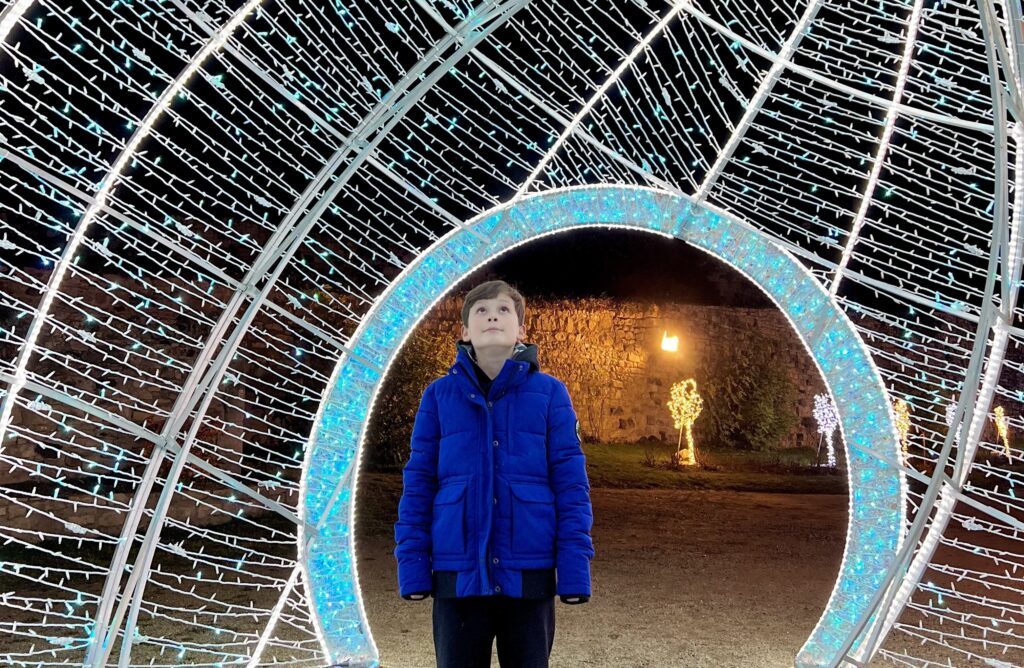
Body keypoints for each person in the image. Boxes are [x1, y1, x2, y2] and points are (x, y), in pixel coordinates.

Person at [394, 279, 595, 668]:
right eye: (481, 310)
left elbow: (571, 484)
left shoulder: (551, 393)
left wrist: (574, 571)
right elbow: (418, 484)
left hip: (529, 575)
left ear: (521, 329)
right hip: (458, 577)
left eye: (504, 310)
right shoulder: (437, 396)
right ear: (465, 331)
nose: (492, 316)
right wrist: (414, 566)